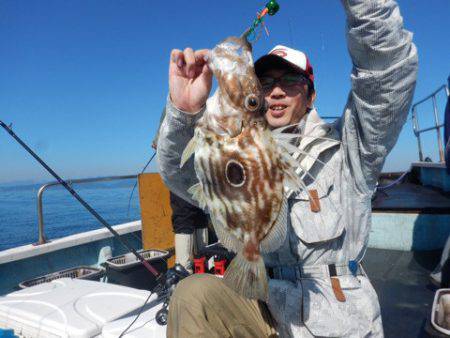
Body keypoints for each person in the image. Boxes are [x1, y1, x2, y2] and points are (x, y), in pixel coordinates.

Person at [157, 0, 418, 336]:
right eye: (265, 84)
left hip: (333, 314)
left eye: (291, 81)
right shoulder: (241, 141)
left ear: (310, 96)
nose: (276, 91)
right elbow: (182, 177)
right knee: (192, 294)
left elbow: (386, 76)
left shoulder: (349, 148)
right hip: (266, 305)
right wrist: (184, 112)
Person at [152, 108, 209, 273]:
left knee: (183, 218)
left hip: (181, 172)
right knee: (200, 214)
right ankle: (204, 263)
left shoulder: (174, 107)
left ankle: (184, 269)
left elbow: (161, 139)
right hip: (202, 172)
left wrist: (157, 141)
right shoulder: (207, 105)